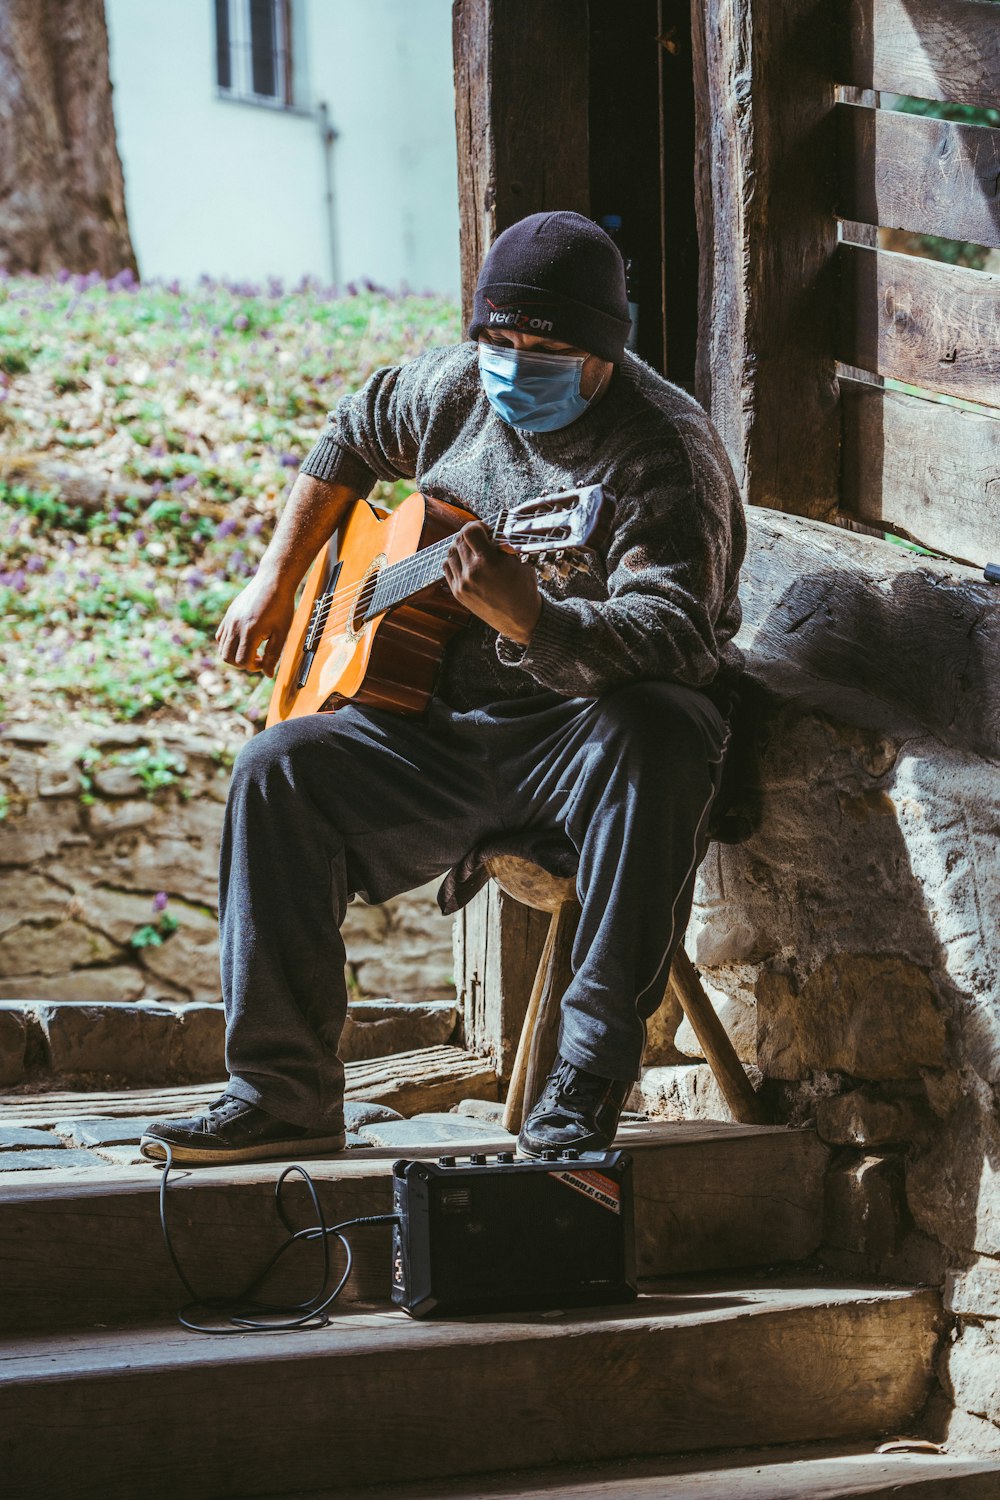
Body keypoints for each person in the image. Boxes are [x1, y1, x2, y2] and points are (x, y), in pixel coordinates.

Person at [140, 210, 746, 1167]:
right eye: (498, 340)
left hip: (580, 742)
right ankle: (278, 1093)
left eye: (544, 348)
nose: (514, 365)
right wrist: (280, 580)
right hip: (438, 735)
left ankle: (583, 1085)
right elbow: (349, 430)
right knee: (276, 770)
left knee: (663, 728)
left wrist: (536, 623)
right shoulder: (457, 386)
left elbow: (677, 637)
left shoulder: (664, 451)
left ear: (604, 353)